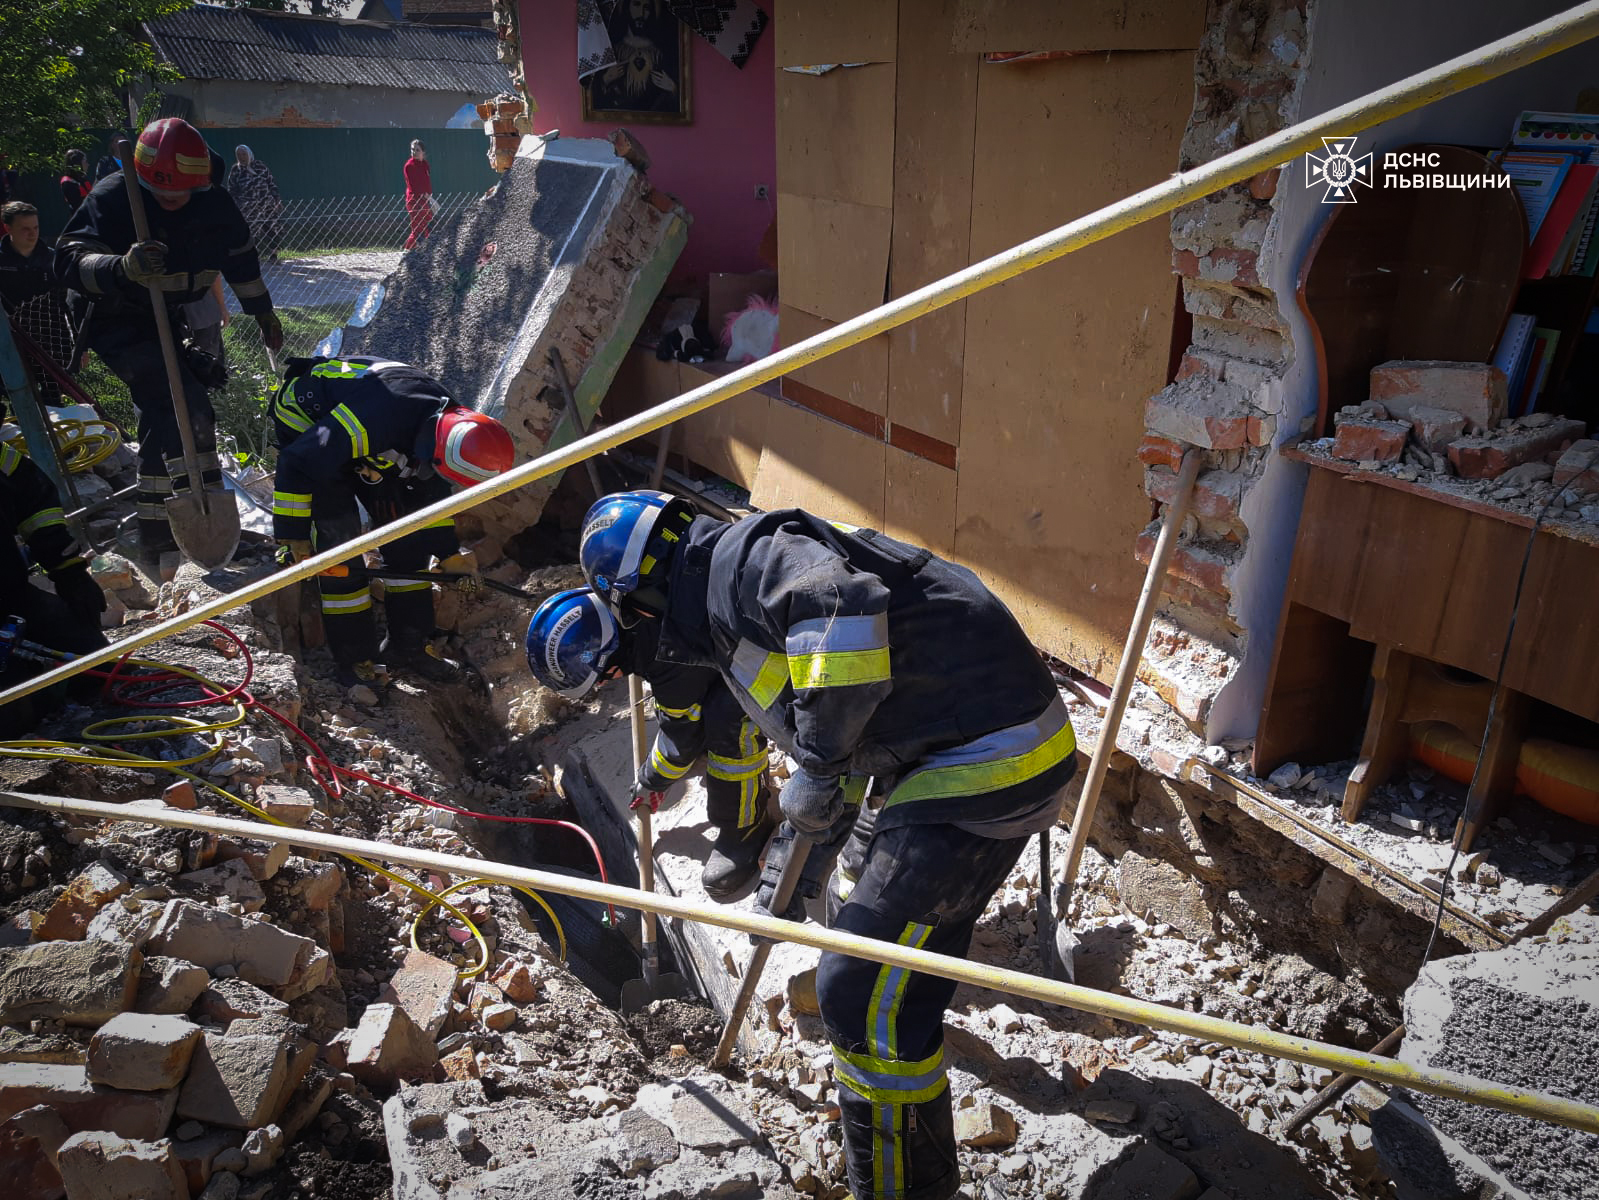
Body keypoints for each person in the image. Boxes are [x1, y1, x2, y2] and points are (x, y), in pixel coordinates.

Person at [579, 491, 1078, 1200]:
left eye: (634, 609)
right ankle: (911, 1092)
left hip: (983, 763)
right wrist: (802, 839)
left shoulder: (746, 558)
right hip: (950, 754)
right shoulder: (725, 598)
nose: (640, 627)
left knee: (856, 989)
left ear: (648, 585)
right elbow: (831, 711)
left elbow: (840, 612)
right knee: (884, 953)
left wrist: (815, 769)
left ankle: (901, 1186)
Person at [55, 117, 282, 563]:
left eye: (181, 193)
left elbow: (242, 262)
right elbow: (66, 260)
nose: (172, 201)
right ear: (142, 178)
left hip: (168, 315)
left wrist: (264, 313)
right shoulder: (115, 197)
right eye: (161, 195)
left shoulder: (214, 203)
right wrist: (121, 268)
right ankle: (168, 529)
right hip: (113, 316)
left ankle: (169, 525)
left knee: (177, 408)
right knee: (182, 404)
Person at [269, 355, 515, 687]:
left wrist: (448, 555)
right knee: (339, 549)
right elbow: (296, 462)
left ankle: (408, 648)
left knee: (406, 538)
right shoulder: (379, 417)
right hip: (310, 430)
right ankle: (357, 662)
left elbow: (429, 498)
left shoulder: (453, 427)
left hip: (370, 432)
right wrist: (292, 536)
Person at [525, 586, 776, 896]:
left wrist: (651, 780)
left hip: (782, 662)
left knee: (730, 721)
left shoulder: (667, 653)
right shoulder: (642, 605)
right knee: (705, 708)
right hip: (747, 635)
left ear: (608, 659)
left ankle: (745, 826)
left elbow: (679, 742)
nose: (603, 683)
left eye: (600, 677)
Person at [0, 442, 107, 737]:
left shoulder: (5, 461)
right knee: (10, 714)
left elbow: (37, 506)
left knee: (100, 662)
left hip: (11, 599)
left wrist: (69, 572)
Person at [0, 202, 73, 407]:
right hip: (10, 339)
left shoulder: (52, 259)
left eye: (35, 228)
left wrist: (78, 345)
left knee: (54, 397)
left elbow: (67, 305)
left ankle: (56, 434)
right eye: (25, 229)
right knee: (20, 396)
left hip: (50, 338)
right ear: (8, 228)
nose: (32, 234)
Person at [224, 146, 282, 263]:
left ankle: (274, 255)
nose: (242, 157)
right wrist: (235, 205)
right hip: (248, 207)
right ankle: (254, 256)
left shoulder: (260, 166)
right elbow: (232, 189)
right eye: (239, 155)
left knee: (272, 228)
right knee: (251, 231)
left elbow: (270, 182)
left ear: (249, 154)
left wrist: (276, 199)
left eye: (244, 154)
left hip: (266, 203)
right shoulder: (236, 170)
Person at [403, 139, 432, 251]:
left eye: (417, 150)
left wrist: (429, 195)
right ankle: (408, 250)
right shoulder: (409, 166)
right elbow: (412, 185)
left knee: (425, 226)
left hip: (425, 199)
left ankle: (422, 249)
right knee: (417, 228)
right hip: (414, 200)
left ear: (423, 152)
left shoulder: (425, 164)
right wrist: (422, 195)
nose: (414, 152)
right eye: (412, 149)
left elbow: (427, 181)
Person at [59, 150, 92, 216]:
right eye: (85, 161)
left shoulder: (83, 179)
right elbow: (77, 205)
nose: (87, 164)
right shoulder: (67, 182)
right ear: (78, 163)